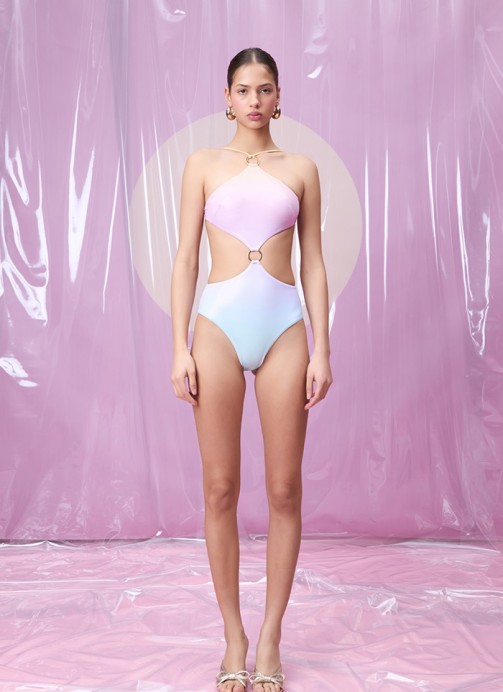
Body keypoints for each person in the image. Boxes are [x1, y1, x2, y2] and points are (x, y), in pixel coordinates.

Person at [171, 47, 332, 692]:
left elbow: (313, 260)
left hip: (285, 330)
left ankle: (270, 637)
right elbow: (186, 258)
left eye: (265, 89)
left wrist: (323, 349)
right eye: (244, 89)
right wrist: (178, 347)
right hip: (216, 327)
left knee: (285, 489)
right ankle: (233, 634)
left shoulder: (302, 168)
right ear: (228, 98)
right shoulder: (202, 165)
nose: (255, 100)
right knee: (219, 488)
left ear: (279, 96)